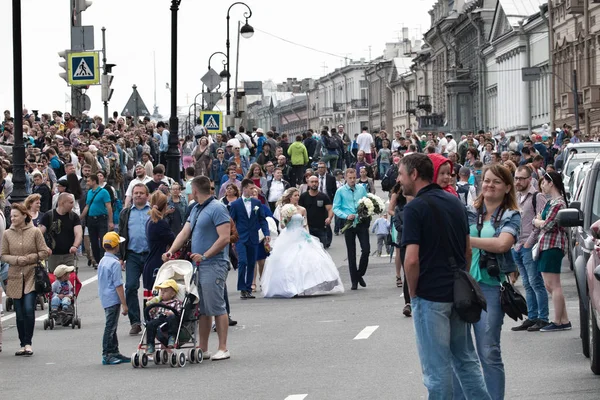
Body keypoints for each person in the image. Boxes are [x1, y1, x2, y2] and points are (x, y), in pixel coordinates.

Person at [398, 153, 490, 399]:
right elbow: (467, 250)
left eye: (401, 174)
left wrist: (414, 293)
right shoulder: (455, 203)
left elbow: (411, 259)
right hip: (458, 293)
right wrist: (461, 278)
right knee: (467, 362)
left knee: (436, 372)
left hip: (430, 296)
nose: (399, 179)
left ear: (415, 174)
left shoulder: (414, 208)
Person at [459, 164, 521, 400]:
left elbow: (503, 244)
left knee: (488, 351)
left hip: (491, 288)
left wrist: (467, 240)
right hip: (464, 285)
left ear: (507, 187)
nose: (489, 185)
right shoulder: (468, 212)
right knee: (461, 352)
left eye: (496, 182)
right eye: (486, 180)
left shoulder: (510, 215)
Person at [163, 176, 232, 361]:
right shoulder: (195, 208)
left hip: (214, 263)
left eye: (188, 189)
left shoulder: (218, 208)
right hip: (197, 264)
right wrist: (170, 252)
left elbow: (225, 237)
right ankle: (203, 347)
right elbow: (184, 232)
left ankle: (223, 347)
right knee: (202, 307)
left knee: (216, 305)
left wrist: (206, 255)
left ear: (194, 190)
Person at [261, 193, 343, 298]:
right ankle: (290, 287)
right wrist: (287, 217)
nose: (297, 197)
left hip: (300, 233)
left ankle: (306, 285)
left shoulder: (302, 209)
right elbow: (282, 225)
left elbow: (305, 223)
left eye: (298, 195)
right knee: (288, 260)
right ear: (290, 197)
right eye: (295, 195)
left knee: (308, 258)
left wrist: (307, 234)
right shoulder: (284, 209)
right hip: (289, 235)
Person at [1, 203, 50, 357]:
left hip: (31, 273)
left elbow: (44, 251)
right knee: (19, 312)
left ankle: (28, 343)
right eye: (11, 216)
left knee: (29, 308)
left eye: (15, 216)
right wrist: (16, 259)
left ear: (24, 215)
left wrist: (29, 258)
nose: (12, 219)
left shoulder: (35, 232)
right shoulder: (7, 234)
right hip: (15, 275)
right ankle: (22, 343)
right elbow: (3, 255)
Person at [511, 166, 549, 332]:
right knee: (526, 283)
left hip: (529, 245)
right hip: (517, 245)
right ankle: (532, 316)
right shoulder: (517, 197)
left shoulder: (537, 197)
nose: (517, 181)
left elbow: (542, 222)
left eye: (521, 178)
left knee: (536, 282)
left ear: (529, 179)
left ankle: (543, 317)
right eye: (516, 178)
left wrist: (528, 243)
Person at [533, 171, 571, 332]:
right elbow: (541, 220)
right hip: (546, 244)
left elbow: (547, 225)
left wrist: (537, 221)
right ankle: (564, 319)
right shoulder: (552, 202)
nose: (542, 185)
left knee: (553, 285)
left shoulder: (558, 204)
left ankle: (558, 321)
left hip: (552, 245)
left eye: (544, 182)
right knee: (550, 285)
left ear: (551, 183)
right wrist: (539, 221)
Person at [118, 183, 151, 335]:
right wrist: (120, 256)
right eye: (135, 193)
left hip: (150, 254)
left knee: (151, 289)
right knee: (130, 287)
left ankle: (151, 320)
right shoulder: (126, 213)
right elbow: (121, 235)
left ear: (147, 195)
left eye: (141, 193)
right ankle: (135, 322)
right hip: (132, 255)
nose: (138, 195)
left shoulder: (153, 211)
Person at [229, 179, 270, 299]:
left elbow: (262, 219)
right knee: (243, 261)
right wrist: (231, 237)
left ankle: (248, 288)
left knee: (252, 262)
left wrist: (266, 233)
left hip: (253, 236)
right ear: (245, 189)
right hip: (240, 237)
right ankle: (242, 288)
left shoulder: (256, 203)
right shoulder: (235, 204)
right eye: (252, 188)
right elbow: (232, 221)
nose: (254, 190)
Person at [332, 168, 370, 290]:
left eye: (354, 178)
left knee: (366, 249)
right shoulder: (341, 191)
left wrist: (364, 212)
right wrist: (345, 216)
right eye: (350, 178)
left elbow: (366, 202)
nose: (353, 180)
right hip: (348, 223)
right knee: (351, 252)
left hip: (361, 221)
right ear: (345, 178)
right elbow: (336, 208)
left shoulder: (361, 188)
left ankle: (360, 274)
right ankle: (354, 280)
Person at [97, 232, 130, 365]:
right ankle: (107, 353)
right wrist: (124, 304)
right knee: (110, 326)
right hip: (113, 298)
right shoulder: (115, 263)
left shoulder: (103, 261)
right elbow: (118, 285)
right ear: (116, 247)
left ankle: (114, 351)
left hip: (105, 296)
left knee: (112, 326)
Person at [143, 191, 175, 301]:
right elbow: (174, 241)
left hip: (150, 263)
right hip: (158, 264)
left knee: (149, 299)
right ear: (165, 205)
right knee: (159, 299)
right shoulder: (160, 223)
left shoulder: (150, 221)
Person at [38, 193, 82, 273]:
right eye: (71, 202)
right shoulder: (48, 215)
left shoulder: (74, 216)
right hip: (53, 255)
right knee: (54, 280)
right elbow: (38, 234)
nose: (73, 205)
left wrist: (75, 246)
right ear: (62, 203)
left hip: (69, 254)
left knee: (70, 280)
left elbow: (78, 233)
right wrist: (44, 247)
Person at [80, 173, 113, 267]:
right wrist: (81, 217)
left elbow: (108, 206)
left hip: (101, 218)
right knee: (93, 242)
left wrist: (110, 221)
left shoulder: (104, 192)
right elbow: (87, 206)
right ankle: (98, 260)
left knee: (103, 240)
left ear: (94, 181)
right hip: (91, 219)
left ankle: (103, 260)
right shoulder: (90, 192)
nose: (87, 182)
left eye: (89, 181)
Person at [145, 279, 183, 353]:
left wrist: (172, 313)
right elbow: (152, 315)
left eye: (165, 291)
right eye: (161, 291)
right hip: (159, 319)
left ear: (172, 294)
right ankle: (150, 344)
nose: (162, 293)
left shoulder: (176, 302)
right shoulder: (158, 302)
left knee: (172, 317)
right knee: (150, 324)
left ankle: (171, 337)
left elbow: (179, 313)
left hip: (170, 319)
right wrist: (151, 308)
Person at [299, 176, 333, 248]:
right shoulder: (303, 196)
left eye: (316, 182)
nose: (314, 184)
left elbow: (330, 208)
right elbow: (299, 210)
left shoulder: (323, 196)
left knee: (322, 251)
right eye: (312, 182)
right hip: (307, 228)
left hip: (321, 228)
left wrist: (329, 218)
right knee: (309, 250)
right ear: (308, 183)